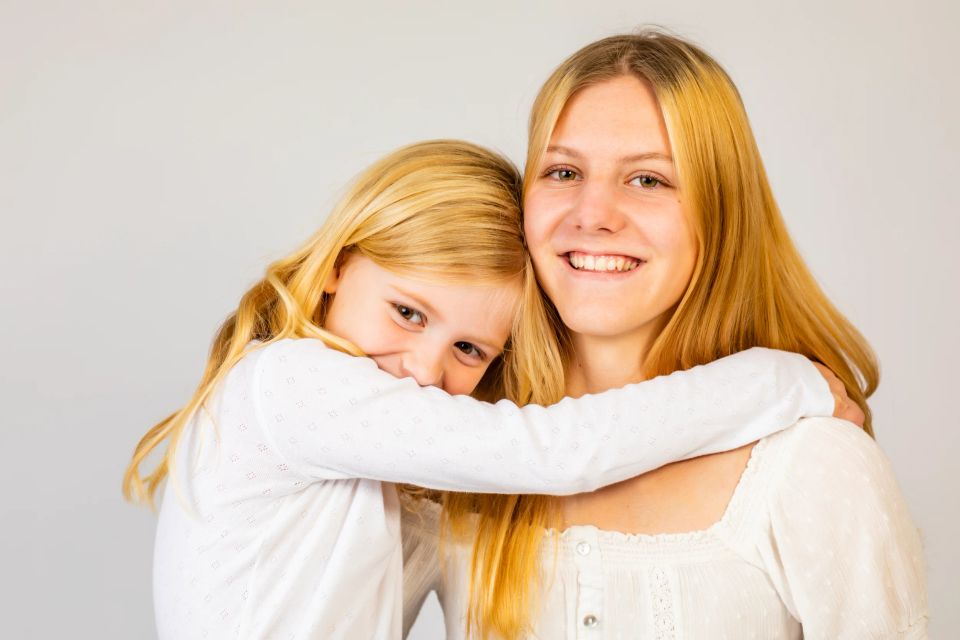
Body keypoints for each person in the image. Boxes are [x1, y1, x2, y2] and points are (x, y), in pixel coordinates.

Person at [122, 140, 847, 639]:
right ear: (341, 266)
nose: (424, 370)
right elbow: (558, 452)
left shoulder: (369, 456)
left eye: (469, 349)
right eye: (407, 313)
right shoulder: (290, 384)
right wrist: (781, 381)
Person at [403, 32, 928, 639]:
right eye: (564, 170)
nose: (592, 213)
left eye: (648, 180)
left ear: (720, 210)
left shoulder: (811, 464)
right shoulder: (458, 439)